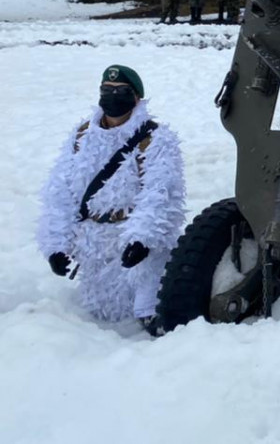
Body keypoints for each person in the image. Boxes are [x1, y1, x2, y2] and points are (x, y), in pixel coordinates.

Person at [37, 65, 186, 332]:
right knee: (100, 313)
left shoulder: (154, 139)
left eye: (121, 91)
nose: (113, 96)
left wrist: (143, 238)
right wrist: (56, 245)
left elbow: (161, 193)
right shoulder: (82, 136)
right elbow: (60, 190)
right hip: (93, 243)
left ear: (136, 98)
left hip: (130, 239)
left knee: (146, 308)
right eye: (107, 90)